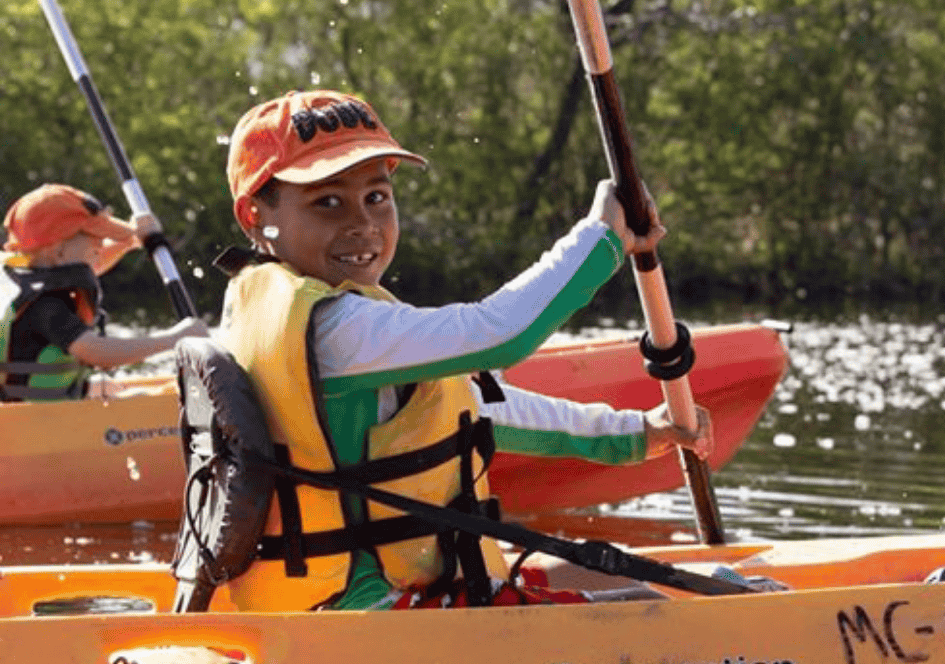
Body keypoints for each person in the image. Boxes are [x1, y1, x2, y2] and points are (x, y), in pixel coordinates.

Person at [211, 88, 712, 611]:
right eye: (327, 202)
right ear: (253, 215)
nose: (362, 224)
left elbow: (470, 411)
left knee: (606, 572)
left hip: (363, 604)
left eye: (377, 197)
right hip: (364, 617)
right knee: (647, 607)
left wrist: (633, 433)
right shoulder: (333, 327)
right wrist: (602, 236)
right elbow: (500, 335)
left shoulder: (287, 309)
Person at [0, 184, 209, 401]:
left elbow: (92, 265)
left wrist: (130, 241)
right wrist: (174, 338)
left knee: (112, 388)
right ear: (58, 250)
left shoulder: (28, 279)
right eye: (95, 235)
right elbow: (99, 353)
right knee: (140, 398)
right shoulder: (45, 307)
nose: (101, 243)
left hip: (45, 407)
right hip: (35, 422)